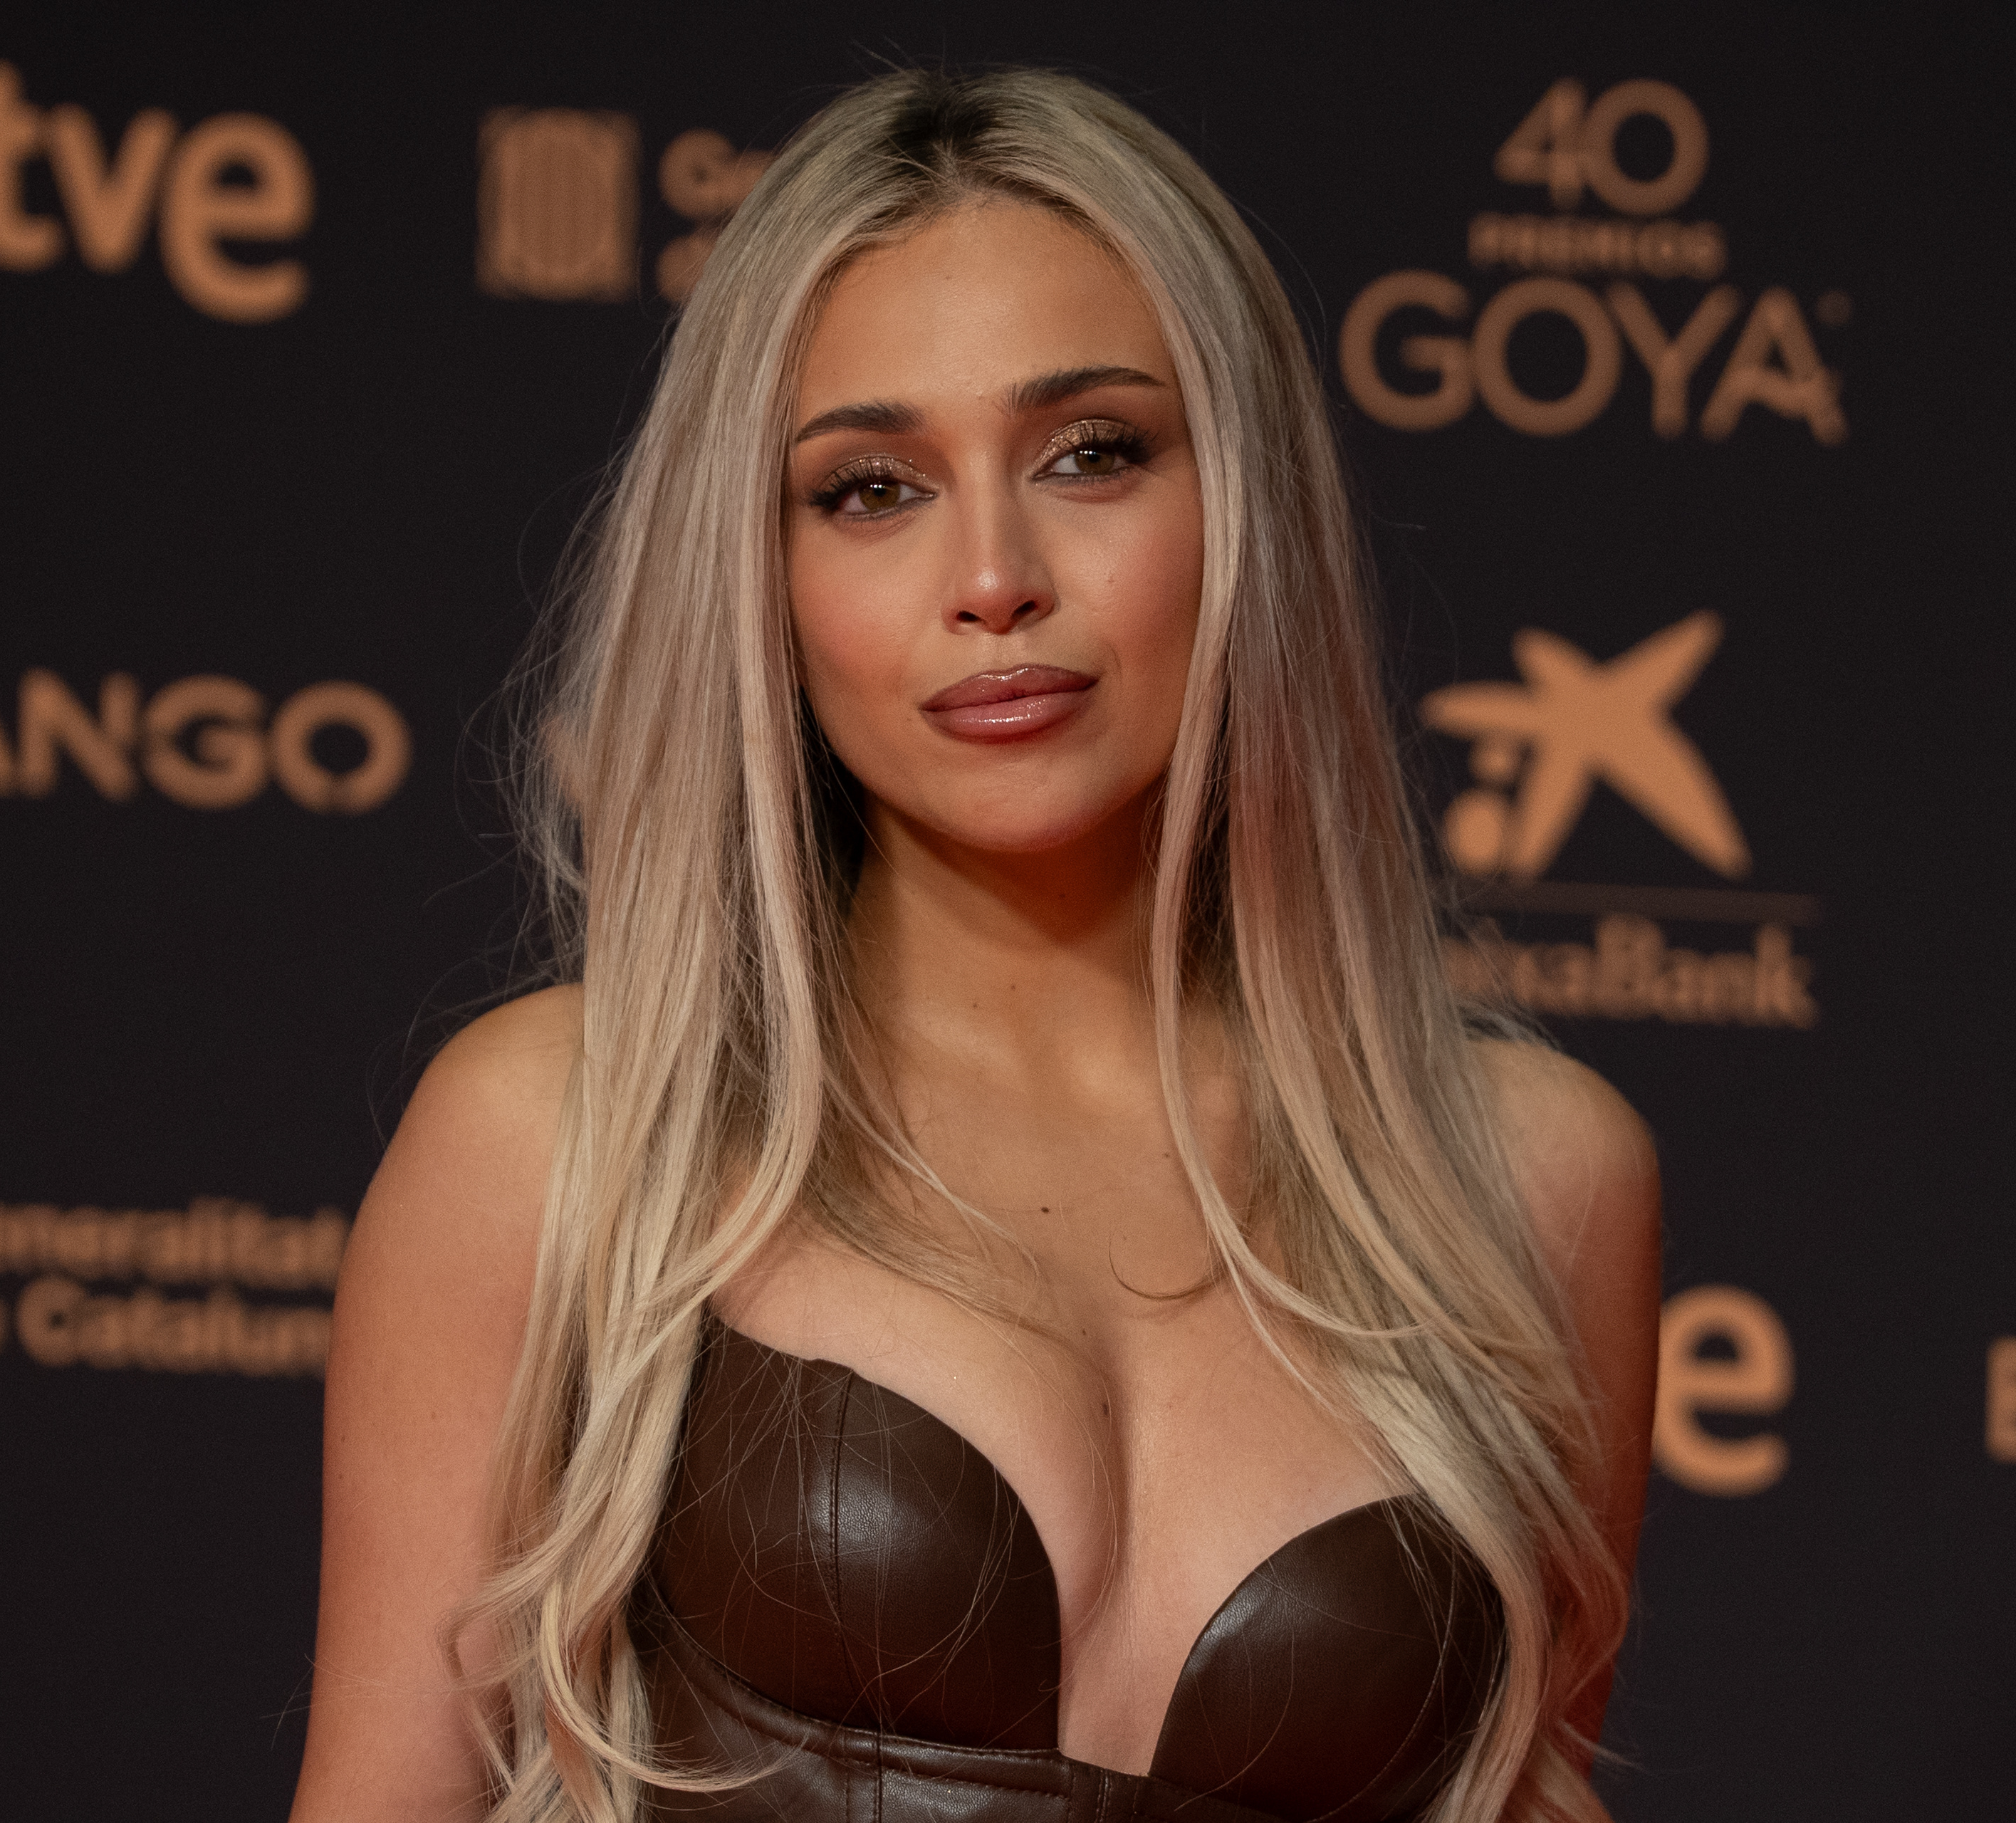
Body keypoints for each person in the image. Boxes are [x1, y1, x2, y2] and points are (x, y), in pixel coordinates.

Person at [291, 67, 1659, 1823]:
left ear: (1241, 501)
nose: (994, 574)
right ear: (761, 578)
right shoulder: (564, 1131)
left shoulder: (1534, 1180)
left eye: (1093, 452)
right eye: (871, 487)